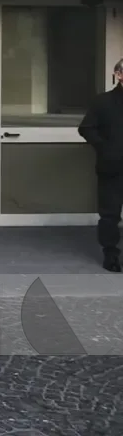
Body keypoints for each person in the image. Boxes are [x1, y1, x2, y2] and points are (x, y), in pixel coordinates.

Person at [77, 56, 123, 273]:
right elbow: (86, 128)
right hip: (112, 167)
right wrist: (105, 148)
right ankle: (111, 255)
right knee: (110, 214)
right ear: (118, 75)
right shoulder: (103, 101)